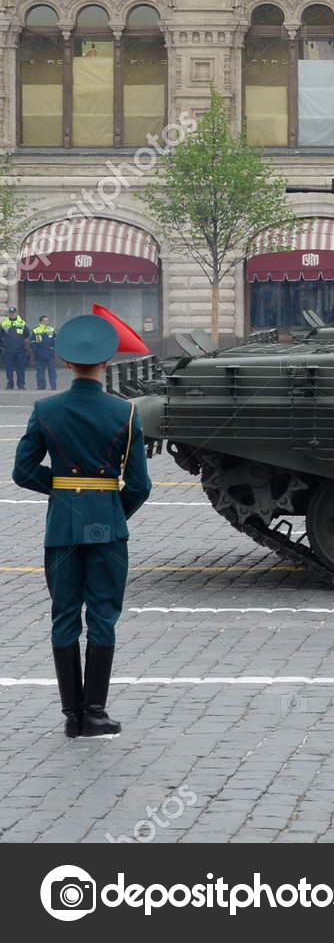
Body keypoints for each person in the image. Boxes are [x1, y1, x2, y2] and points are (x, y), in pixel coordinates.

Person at [12, 314, 151, 738]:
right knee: (104, 616)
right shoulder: (124, 413)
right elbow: (140, 485)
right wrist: (108, 509)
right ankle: (94, 712)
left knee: (64, 615)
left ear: (67, 363)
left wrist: (62, 492)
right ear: (107, 362)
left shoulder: (46, 409)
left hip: (62, 528)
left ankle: (72, 716)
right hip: (107, 530)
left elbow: (22, 470)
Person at [1, 307, 28, 389]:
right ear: (9, 314)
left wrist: (21, 343)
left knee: (20, 369)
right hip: (8, 350)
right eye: (10, 313)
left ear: (16, 313)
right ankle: (10, 384)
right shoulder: (4, 323)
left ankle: (21, 385)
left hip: (20, 350)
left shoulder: (22, 323)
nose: (12, 314)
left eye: (13, 313)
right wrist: (3, 346)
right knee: (9, 369)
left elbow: (26, 335)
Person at [30, 314, 57, 390]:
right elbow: (32, 342)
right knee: (40, 371)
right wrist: (36, 351)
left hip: (49, 353)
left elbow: (55, 341)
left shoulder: (51, 329)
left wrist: (53, 349)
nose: (47, 322)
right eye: (45, 320)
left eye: (47, 321)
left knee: (52, 371)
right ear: (41, 321)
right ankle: (41, 386)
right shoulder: (36, 330)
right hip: (40, 354)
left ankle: (53, 385)